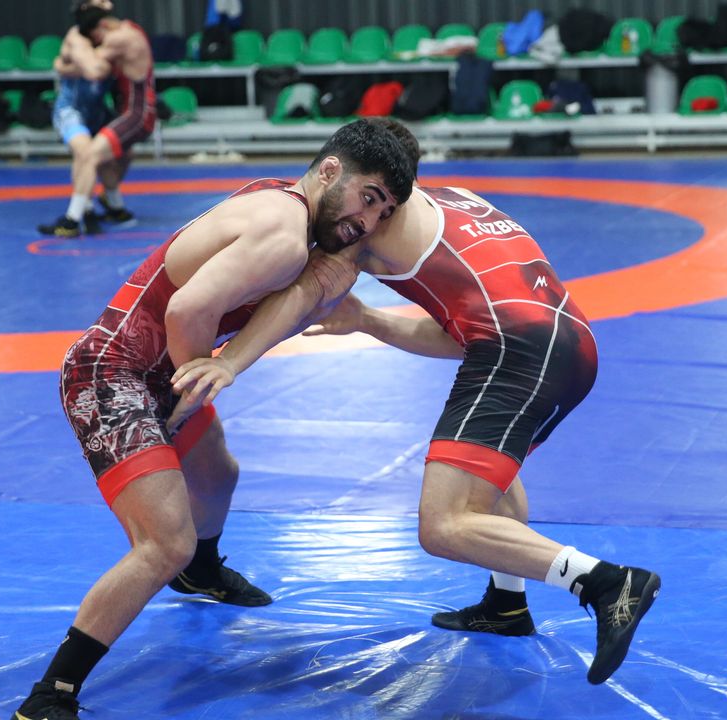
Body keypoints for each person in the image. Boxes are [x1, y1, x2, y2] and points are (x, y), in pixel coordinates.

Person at [171, 119, 661, 685]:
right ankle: (507, 605)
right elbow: (462, 335)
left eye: (379, 202)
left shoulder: (363, 229)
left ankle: (604, 582)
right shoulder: (464, 201)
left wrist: (229, 361)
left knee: (444, 524)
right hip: (569, 343)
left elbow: (303, 294)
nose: (369, 216)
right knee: (486, 479)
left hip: (518, 352)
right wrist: (369, 320)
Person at [12, 119, 416, 720]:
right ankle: (51, 693)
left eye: (383, 213)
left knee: (218, 473)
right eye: (369, 198)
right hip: (111, 377)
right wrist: (193, 387)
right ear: (330, 170)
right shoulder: (284, 235)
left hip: (156, 373)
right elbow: (187, 309)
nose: (369, 221)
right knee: (164, 543)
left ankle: (201, 573)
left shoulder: (289, 209)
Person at [38, 1, 153, 237]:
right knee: (92, 155)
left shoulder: (117, 38)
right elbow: (93, 67)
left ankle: (88, 213)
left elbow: (96, 69)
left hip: (124, 112)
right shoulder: (80, 36)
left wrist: (61, 65)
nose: (96, 39)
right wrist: (67, 60)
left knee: (101, 156)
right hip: (78, 109)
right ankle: (98, 210)